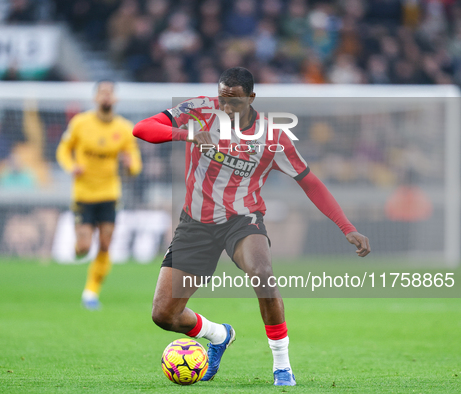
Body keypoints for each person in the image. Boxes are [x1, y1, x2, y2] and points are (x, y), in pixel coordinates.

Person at [132, 67, 370, 386]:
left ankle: (282, 366)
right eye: (223, 99)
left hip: (242, 221)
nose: (226, 108)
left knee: (263, 275)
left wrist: (346, 226)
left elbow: (310, 183)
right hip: (196, 223)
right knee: (163, 315)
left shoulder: (273, 137)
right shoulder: (200, 110)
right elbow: (142, 129)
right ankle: (219, 335)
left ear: (251, 98)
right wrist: (185, 133)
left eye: (235, 102)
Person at [56, 80, 142, 310]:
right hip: (83, 194)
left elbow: (135, 163)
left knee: (105, 244)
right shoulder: (80, 123)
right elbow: (63, 149)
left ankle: (91, 293)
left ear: (115, 99)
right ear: (95, 98)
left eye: (109, 93)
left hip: (109, 194)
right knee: (83, 247)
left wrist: (129, 165)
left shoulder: (124, 128)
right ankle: (79, 250)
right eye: (102, 93)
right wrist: (71, 166)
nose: (106, 97)